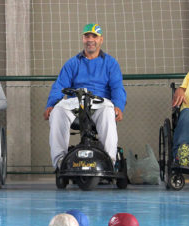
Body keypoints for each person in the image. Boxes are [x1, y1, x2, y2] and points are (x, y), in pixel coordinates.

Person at [43, 23, 127, 170]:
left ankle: (109, 161)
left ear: (101, 39)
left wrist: (118, 106)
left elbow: (117, 87)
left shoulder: (110, 63)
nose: (90, 39)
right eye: (87, 36)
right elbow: (59, 85)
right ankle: (60, 162)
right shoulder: (73, 63)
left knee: (109, 111)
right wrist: (51, 104)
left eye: (94, 36)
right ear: (83, 39)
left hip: (99, 103)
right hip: (76, 101)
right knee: (57, 112)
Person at [171, 70, 189, 166]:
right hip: (186, 115)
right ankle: (182, 153)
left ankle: (182, 151)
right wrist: (179, 91)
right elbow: (182, 89)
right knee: (186, 112)